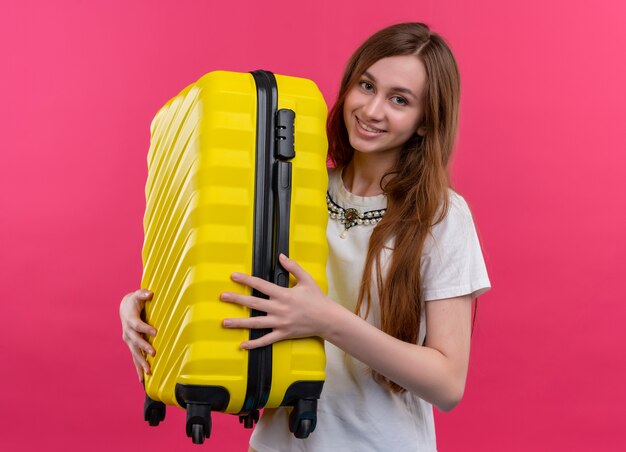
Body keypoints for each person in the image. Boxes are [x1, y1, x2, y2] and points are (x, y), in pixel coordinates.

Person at [120, 22, 491, 452]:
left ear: (426, 123)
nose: (372, 110)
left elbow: (447, 384)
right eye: (366, 85)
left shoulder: (441, 215)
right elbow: (226, 281)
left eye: (399, 100)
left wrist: (325, 320)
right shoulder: (289, 186)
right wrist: (146, 307)